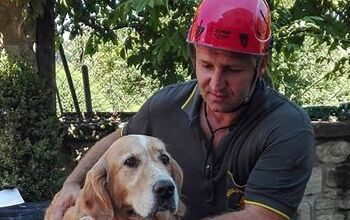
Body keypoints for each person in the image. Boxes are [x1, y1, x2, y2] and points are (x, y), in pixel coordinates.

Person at [47, 0, 314, 219]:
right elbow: (118, 141)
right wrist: (72, 182)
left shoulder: (286, 126)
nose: (216, 83)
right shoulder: (165, 106)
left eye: (233, 70)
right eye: (207, 65)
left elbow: (262, 217)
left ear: (261, 64)